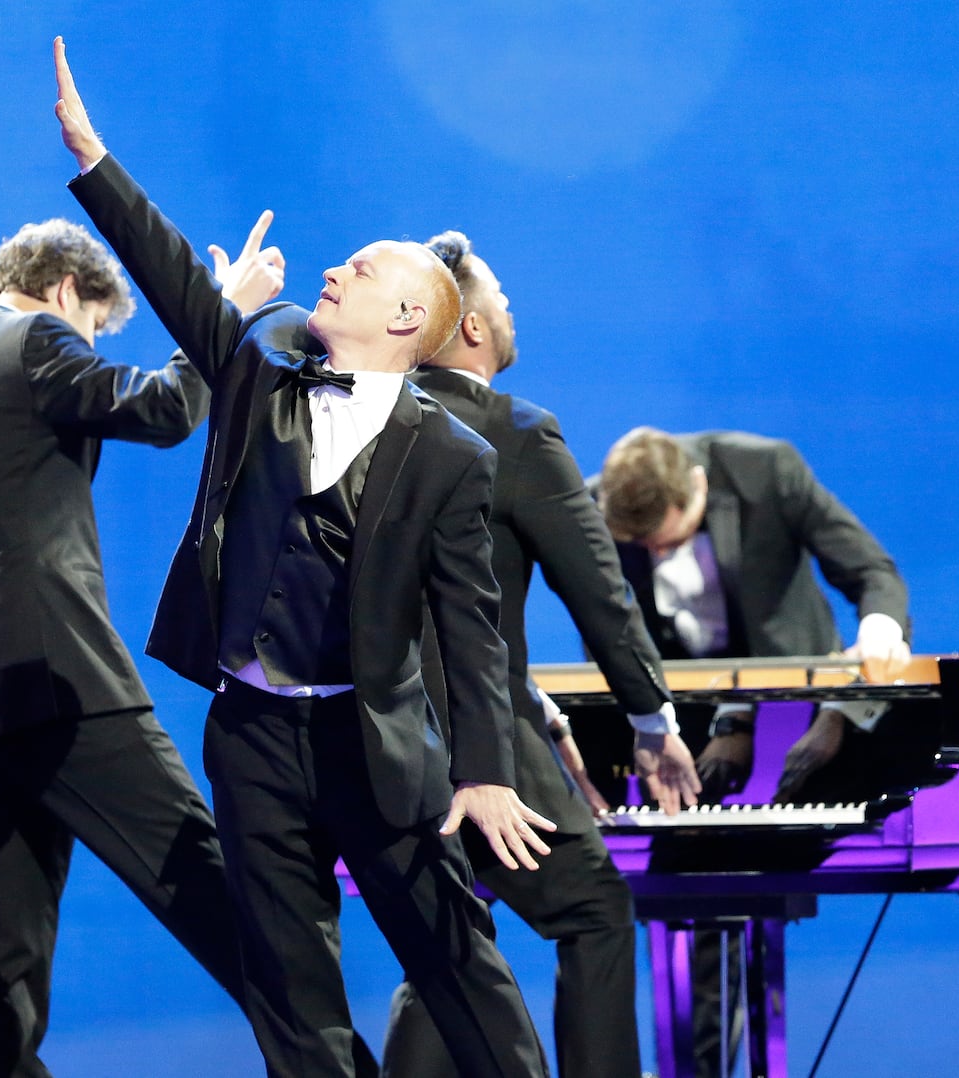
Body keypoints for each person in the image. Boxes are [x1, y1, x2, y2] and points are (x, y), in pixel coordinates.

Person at [52, 38, 558, 1078]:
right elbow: (178, 284)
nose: (333, 270)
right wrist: (95, 159)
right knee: (290, 990)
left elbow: (469, 625)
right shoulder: (261, 373)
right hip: (252, 737)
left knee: (459, 967)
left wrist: (486, 774)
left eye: (361, 269)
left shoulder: (451, 455)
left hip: (370, 742)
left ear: (409, 316)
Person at [0, 216, 300, 1077]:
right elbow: (168, 407)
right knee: (213, 889)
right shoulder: (33, 339)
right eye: (98, 329)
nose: (93, 343)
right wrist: (220, 312)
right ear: (68, 293)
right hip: (63, 687)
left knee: (8, 962)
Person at [381, 231, 702, 1078]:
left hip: (372, 741)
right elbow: (600, 596)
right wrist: (651, 719)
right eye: (503, 297)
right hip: (472, 741)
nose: (511, 308)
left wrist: (545, 713)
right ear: (475, 328)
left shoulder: (370, 425)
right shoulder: (516, 434)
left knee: (448, 936)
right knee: (593, 911)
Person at [594, 424, 911, 1078]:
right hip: (681, 724)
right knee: (687, 895)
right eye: (643, 546)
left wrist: (878, 633)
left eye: (668, 539)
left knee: (750, 891)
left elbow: (870, 571)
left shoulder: (766, 471)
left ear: (700, 487)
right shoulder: (600, 505)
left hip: (798, 719)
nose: (656, 553)